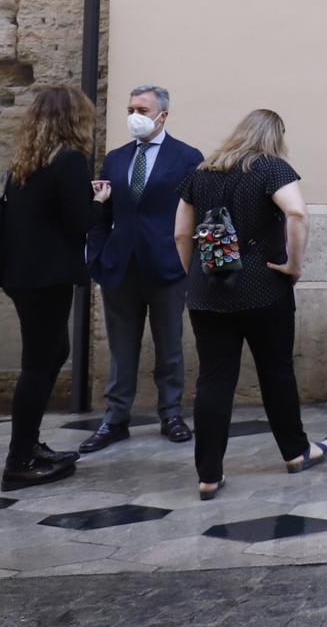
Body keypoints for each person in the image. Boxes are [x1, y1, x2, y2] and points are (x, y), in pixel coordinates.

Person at [174, 109, 327, 499]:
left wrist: (197, 275)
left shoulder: (201, 173)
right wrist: (293, 265)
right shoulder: (271, 168)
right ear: (275, 136)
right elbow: (296, 212)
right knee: (276, 372)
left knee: (213, 380)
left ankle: (208, 475)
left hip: (209, 296)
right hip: (264, 289)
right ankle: (295, 452)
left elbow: (180, 233)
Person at [81, 84, 203, 454]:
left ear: (162, 115)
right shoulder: (116, 159)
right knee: (121, 347)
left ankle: (171, 414)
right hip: (120, 266)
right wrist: (98, 254)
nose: (134, 116)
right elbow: (103, 211)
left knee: (169, 345)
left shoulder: (186, 157)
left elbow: (198, 210)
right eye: (130, 108)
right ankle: (115, 418)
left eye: (143, 110)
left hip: (167, 265)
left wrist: (189, 260)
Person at [0, 86, 99, 489]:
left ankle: (30, 445)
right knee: (39, 364)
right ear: (74, 118)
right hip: (45, 277)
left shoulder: (28, 161)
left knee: (52, 353)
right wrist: (101, 204)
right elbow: (80, 221)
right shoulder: (69, 161)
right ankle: (19, 461)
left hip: (24, 276)